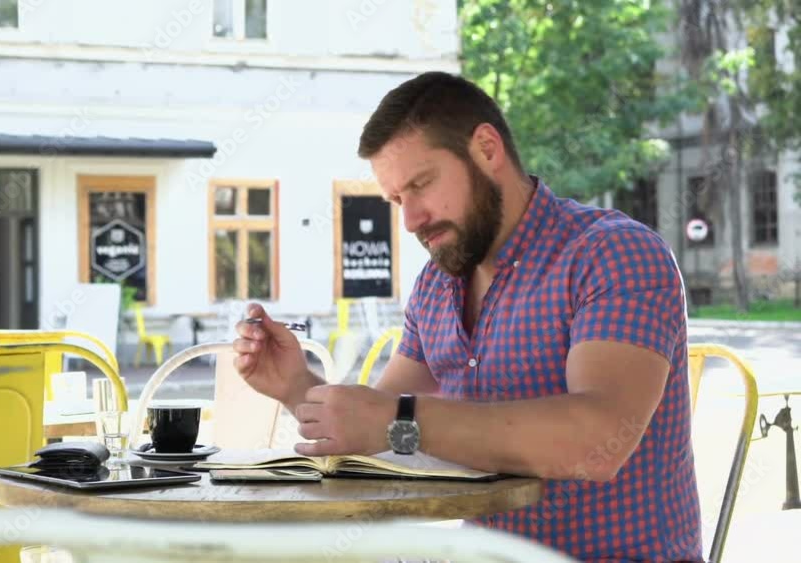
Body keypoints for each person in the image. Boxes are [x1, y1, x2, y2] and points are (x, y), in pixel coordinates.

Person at [232, 71, 701, 562]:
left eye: (421, 184)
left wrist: (397, 420)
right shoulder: (437, 283)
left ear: (486, 148)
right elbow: (375, 431)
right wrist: (295, 387)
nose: (410, 219)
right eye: (396, 199)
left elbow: (598, 442)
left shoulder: (613, 254)